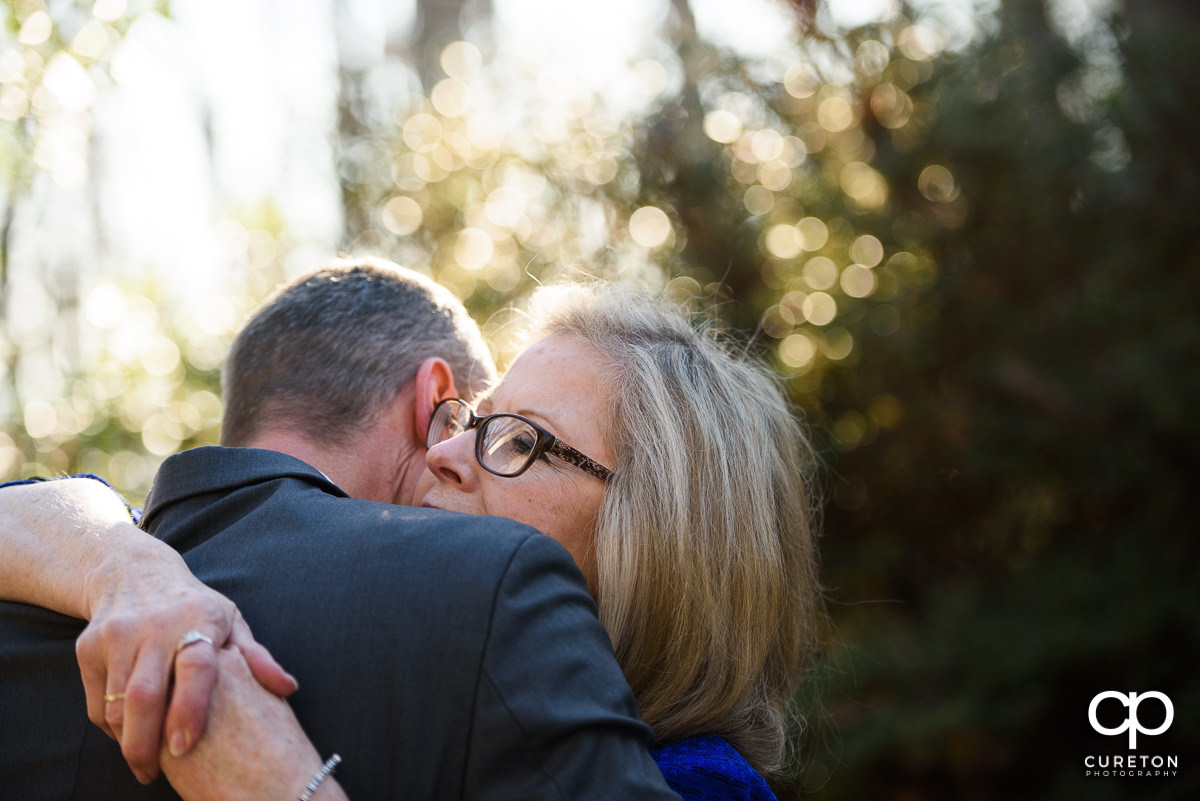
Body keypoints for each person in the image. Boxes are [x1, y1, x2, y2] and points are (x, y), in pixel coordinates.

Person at [0, 261, 681, 801]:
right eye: (467, 420)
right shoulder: (494, 595)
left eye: (512, 441)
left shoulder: (50, 596)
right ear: (431, 399)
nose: (454, 455)